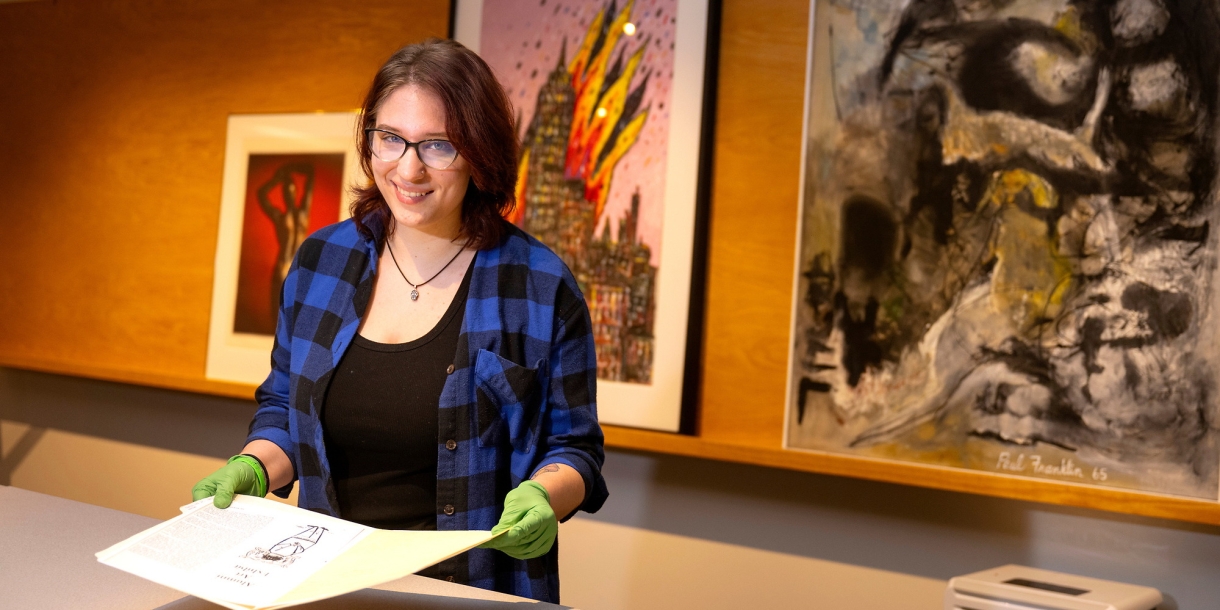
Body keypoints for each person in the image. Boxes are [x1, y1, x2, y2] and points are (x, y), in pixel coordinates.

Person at [191, 38, 608, 604]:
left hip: (473, 589)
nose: (408, 168)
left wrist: (545, 496)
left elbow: (574, 446)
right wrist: (255, 465)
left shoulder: (539, 284)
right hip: (326, 585)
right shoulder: (321, 262)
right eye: (390, 138)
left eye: (438, 145)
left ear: (479, 153)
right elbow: (286, 406)